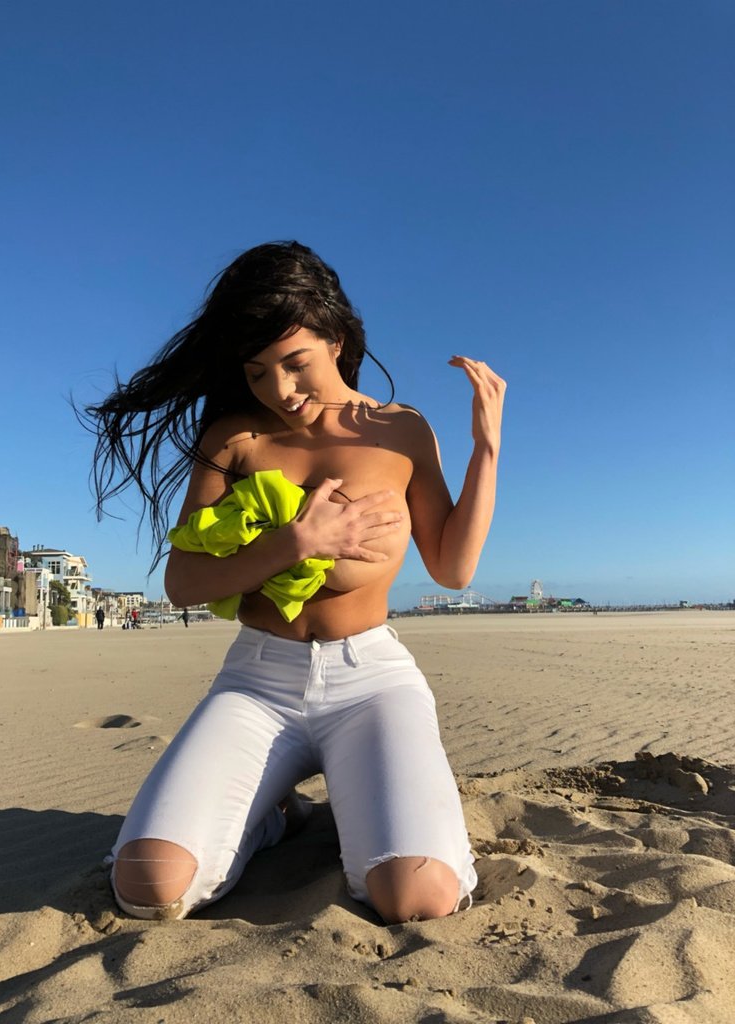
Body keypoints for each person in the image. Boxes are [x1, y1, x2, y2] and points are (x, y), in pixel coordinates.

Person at [85, 241, 505, 924]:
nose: (279, 390)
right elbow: (183, 582)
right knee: (148, 886)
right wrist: (298, 543)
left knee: (416, 896)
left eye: (295, 362)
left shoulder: (400, 430)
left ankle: (365, 805)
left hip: (370, 682)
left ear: (335, 341)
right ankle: (277, 817)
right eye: (256, 372)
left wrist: (486, 448)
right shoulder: (233, 438)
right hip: (257, 682)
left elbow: (452, 569)